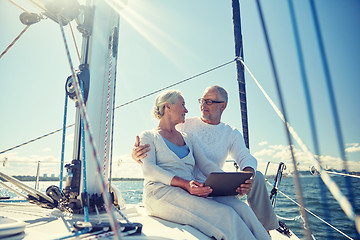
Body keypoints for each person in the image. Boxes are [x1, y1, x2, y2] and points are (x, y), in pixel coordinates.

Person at [133, 85, 279, 232]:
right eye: (202, 101)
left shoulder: (229, 133)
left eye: (208, 102)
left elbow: (238, 158)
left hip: (212, 186)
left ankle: (265, 231)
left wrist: (240, 180)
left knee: (249, 195)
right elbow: (152, 156)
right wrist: (136, 154)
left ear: (223, 106)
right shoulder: (183, 124)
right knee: (227, 215)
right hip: (186, 187)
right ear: (168, 106)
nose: (202, 105)